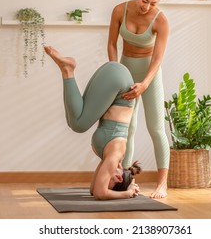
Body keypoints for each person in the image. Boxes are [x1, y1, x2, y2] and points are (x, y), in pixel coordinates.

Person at [44, 45, 141, 200]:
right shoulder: (115, 155)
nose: (104, 179)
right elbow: (100, 193)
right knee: (79, 124)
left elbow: (93, 189)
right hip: (119, 81)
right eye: (108, 182)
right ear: (118, 178)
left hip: (114, 75)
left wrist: (129, 185)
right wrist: (128, 193)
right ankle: (67, 70)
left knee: (73, 122)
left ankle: (67, 70)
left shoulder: (109, 158)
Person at [107, 0, 170, 198]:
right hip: (125, 70)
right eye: (145, 0)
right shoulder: (119, 11)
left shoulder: (161, 21)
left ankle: (162, 184)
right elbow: (112, 44)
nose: (147, 7)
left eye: (153, 3)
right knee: (128, 129)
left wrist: (144, 84)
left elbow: (158, 59)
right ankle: (125, 180)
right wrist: (115, 71)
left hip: (149, 75)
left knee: (156, 127)